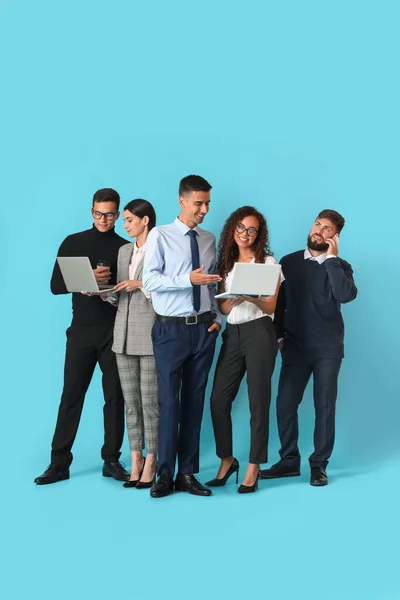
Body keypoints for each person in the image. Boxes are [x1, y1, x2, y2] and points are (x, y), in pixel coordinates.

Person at [34, 188, 130, 485]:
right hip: (81, 332)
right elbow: (55, 285)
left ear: (118, 213)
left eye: (110, 214)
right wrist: (87, 279)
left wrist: (110, 283)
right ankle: (58, 462)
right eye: (99, 213)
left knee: (115, 397)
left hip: (115, 330)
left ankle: (111, 460)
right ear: (91, 211)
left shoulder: (125, 247)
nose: (104, 218)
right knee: (71, 395)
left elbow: (134, 289)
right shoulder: (74, 242)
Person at [259, 209, 357, 487]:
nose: (319, 231)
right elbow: (277, 304)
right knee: (285, 404)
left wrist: (332, 260)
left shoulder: (340, 266)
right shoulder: (288, 263)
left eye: (327, 229)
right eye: (318, 224)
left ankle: (319, 465)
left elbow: (345, 295)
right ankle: (289, 460)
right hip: (295, 347)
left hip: (327, 349)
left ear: (334, 237)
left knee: (324, 407)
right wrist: (278, 337)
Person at [143, 174, 222, 498]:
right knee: (168, 403)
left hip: (203, 329)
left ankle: (187, 473)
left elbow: (213, 283)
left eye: (207, 204)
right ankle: (165, 474)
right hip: (170, 329)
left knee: (194, 403)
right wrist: (186, 279)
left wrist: (217, 317)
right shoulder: (159, 236)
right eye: (198, 203)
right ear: (182, 200)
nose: (203, 210)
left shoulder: (208, 238)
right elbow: (150, 281)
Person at [205, 207, 281, 494]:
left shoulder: (268, 262)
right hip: (233, 334)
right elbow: (222, 308)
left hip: (260, 332)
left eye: (251, 230)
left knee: (257, 402)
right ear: (232, 230)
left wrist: (254, 299)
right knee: (217, 401)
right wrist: (235, 300)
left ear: (259, 235)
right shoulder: (226, 264)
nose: (245, 234)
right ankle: (227, 459)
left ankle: (254, 466)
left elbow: (271, 306)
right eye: (240, 228)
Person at [104, 199, 159, 489]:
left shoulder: (160, 249)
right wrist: (102, 291)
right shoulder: (124, 251)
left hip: (149, 334)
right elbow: (119, 297)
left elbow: (168, 289)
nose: (123, 225)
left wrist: (141, 285)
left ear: (145, 220)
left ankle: (152, 459)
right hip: (121, 336)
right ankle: (135, 458)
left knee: (150, 403)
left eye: (128, 220)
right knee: (131, 404)